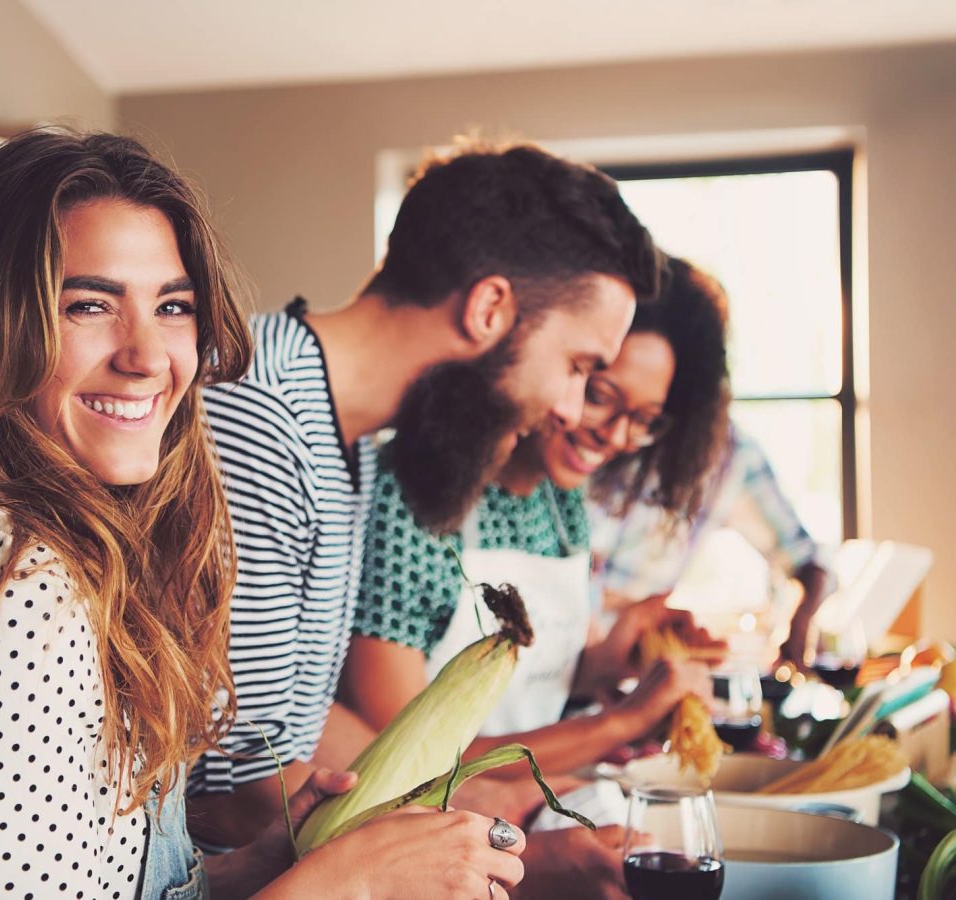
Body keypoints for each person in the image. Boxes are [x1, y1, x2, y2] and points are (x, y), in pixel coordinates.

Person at [0, 130, 527, 900]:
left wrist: (251, 870)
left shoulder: (44, 557)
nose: (149, 355)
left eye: (173, 306)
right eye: (89, 304)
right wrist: (349, 887)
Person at [189, 143, 663, 848]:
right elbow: (232, 789)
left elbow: (303, 720)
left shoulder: (346, 437)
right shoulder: (260, 419)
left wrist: (500, 801)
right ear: (489, 307)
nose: (569, 408)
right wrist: (505, 842)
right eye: (576, 366)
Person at [343, 258, 731, 898]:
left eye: (644, 419)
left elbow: (530, 678)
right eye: (599, 392)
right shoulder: (417, 496)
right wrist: (623, 721)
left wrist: (615, 656)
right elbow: (401, 756)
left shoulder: (562, 503)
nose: (613, 434)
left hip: (522, 808)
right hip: (422, 840)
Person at [589, 417, 832, 669]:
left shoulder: (731, 455)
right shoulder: (604, 424)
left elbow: (806, 558)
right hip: (566, 656)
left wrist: (799, 622)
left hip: (619, 666)